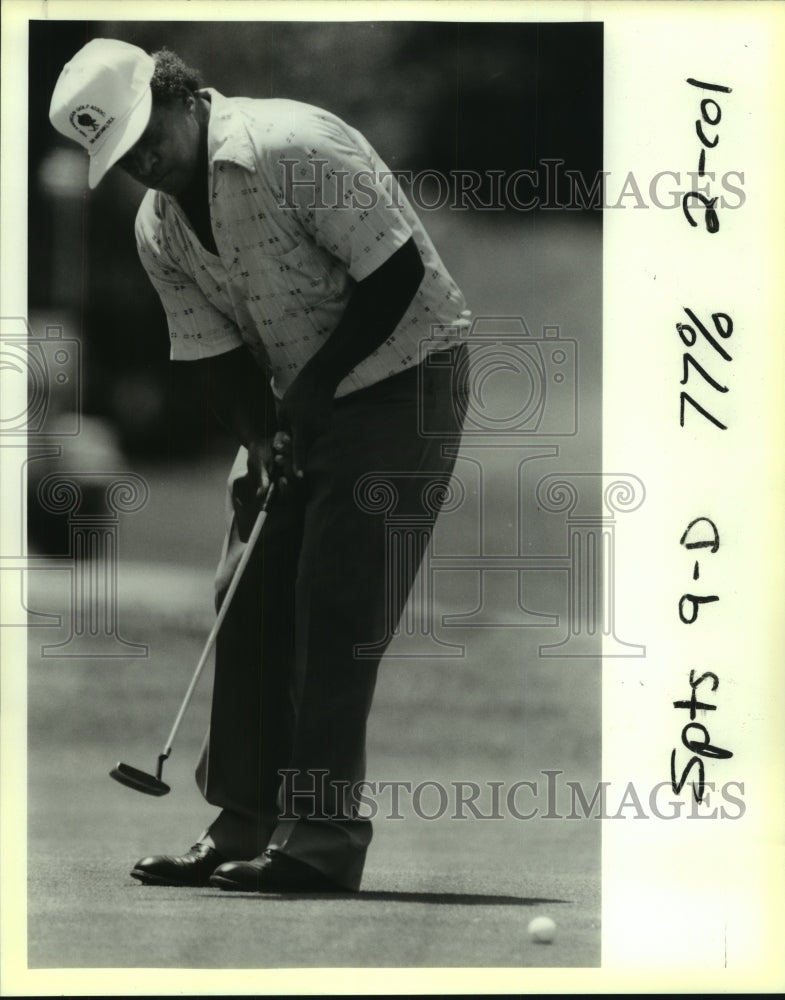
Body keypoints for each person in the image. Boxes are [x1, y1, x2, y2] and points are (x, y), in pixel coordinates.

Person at [49, 37, 470, 894]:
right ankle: (240, 820)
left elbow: (395, 273)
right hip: (299, 395)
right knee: (246, 593)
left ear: (176, 92)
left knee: (333, 598)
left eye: (142, 137)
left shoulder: (291, 146)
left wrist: (313, 390)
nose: (139, 162)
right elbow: (207, 352)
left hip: (403, 378)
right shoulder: (157, 225)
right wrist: (259, 432)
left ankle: (322, 836)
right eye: (119, 156)